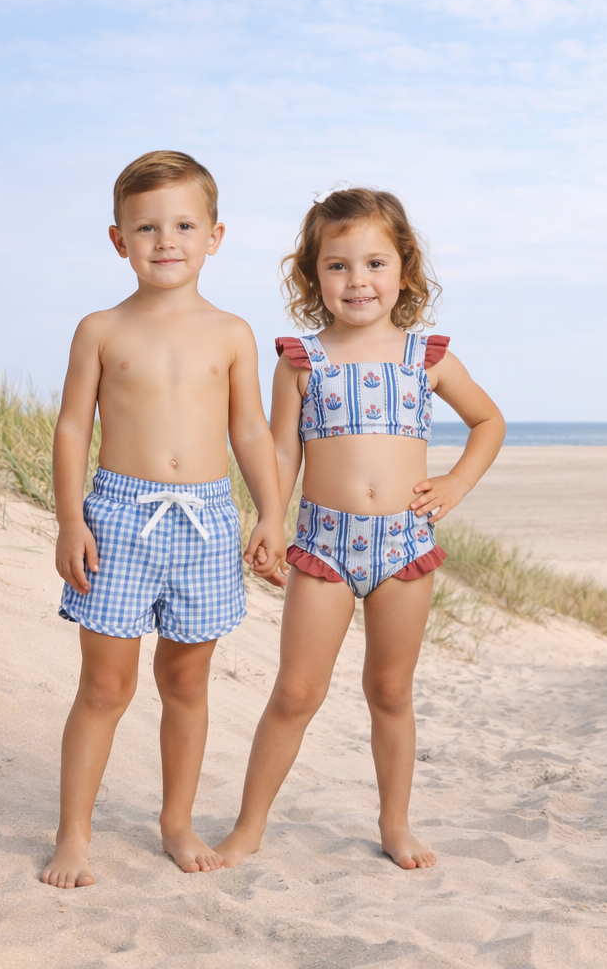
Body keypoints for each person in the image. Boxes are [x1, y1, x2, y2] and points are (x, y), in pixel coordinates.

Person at [215, 186, 505, 870]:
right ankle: (249, 825)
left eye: (375, 263)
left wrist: (458, 482)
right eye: (338, 265)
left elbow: (489, 422)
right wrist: (269, 515)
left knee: (390, 691)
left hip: (404, 544)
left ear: (403, 269)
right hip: (322, 544)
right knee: (295, 692)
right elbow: (282, 450)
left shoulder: (425, 358)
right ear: (313, 276)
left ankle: (395, 824)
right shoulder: (300, 361)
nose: (358, 281)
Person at [41, 151, 285, 888]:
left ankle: (175, 819)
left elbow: (250, 431)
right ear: (119, 239)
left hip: (207, 522)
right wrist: (69, 520)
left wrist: (273, 510)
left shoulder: (233, 332)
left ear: (215, 235)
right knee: (105, 686)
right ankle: (74, 834)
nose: (166, 239)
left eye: (184, 224)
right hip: (117, 517)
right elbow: (72, 429)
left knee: (186, 681)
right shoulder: (101, 330)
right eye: (146, 227)